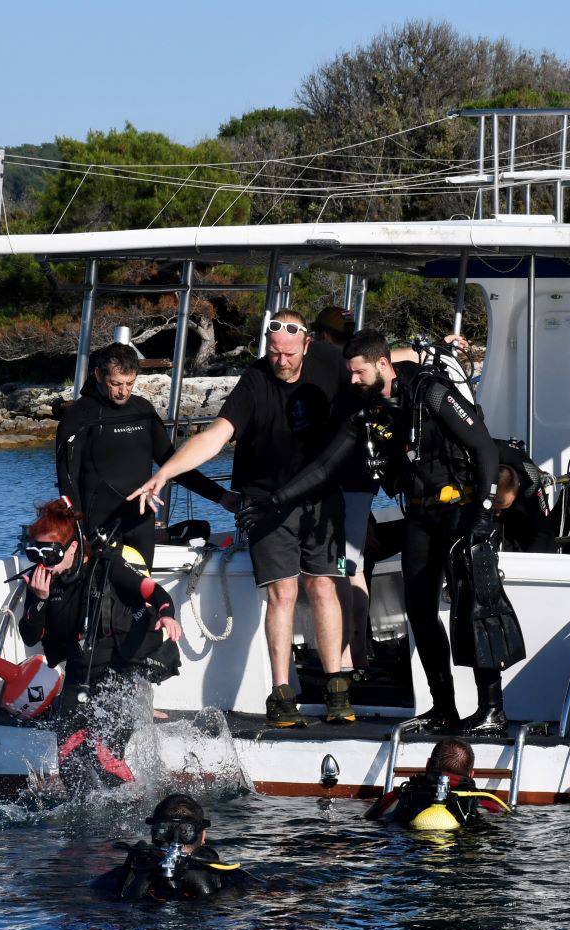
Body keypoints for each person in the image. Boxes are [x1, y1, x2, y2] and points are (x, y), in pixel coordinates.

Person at [254, 330, 521, 735]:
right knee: (419, 612)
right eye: (350, 374)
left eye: (359, 372)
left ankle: (491, 708)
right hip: (419, 516)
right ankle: (443, 707)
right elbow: (326, 466)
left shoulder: (430, 394)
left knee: (472, 609)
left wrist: (483, 514)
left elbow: (483, 447)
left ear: (382, 364)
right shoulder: (368, 411)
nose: (354, 380)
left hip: (460, 514)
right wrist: (276, 499)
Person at [128, 309, 348, 729]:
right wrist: (164, 473)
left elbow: (374, 363)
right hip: (266, 500)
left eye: (287, 353)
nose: (280, 361)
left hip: (321, 497)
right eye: (273, 352)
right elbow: (215, 436)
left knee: (323, 585)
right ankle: (282, 693)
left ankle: (337, 684)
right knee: (282, 592)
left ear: (305, 345)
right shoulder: (254, 380)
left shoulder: (328, 363)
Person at [18, 500, 183, 791]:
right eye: (36, 553)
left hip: (116, 675)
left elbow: (153, 590)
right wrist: (39, 599)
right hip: (77, 677)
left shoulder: (107, 567)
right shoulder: (42, 581)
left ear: (72, 547)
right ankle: (84, 831)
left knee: (105, 760)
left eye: (51, 554)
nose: (45, 564)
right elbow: (30, 635)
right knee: (69, 761)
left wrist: (167, 615)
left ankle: (134, 813)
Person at [55, 343, 235, 570]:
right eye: (116, 384)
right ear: (99, 375)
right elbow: (66, 483)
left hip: (140, 525)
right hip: (98, 526)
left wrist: (220, 496)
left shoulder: (142, 411)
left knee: (142, 596)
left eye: (130, 383)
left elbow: (175, 465)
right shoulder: (78, 417)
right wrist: (77, 535)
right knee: (103, 598)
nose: (123, 391)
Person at [312, 307, 377, 679]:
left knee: (344, 569)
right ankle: (359, 652)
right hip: (364, 482)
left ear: (321, 336)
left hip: (345, 484)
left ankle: (351, 655)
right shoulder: (358, 368)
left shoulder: (327, 362)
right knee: (356, 567)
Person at [93, 793, 247, 901]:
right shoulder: (231, 880)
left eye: (185, 832)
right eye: (165, 830)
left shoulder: (119, 879)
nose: (175, 841)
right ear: (203, 836)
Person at [365, 737, 509, 827]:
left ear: (428, 764)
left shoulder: (392, 799)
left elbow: (369, 822)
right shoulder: (489, 807)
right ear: (471, 775)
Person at [495, 439, 555, 553]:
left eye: (500, 507)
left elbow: (544, 532)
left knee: (539, 528)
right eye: (496, 505)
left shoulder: (532, 483)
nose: (497, 512)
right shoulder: (487, 458)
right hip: (495, 459)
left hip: (523, 486)